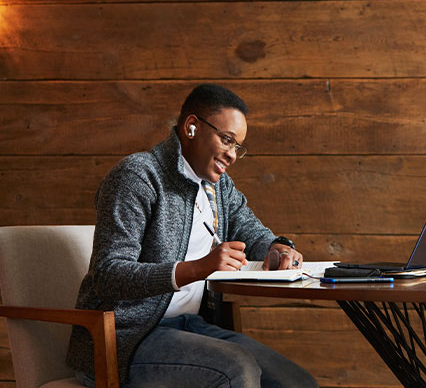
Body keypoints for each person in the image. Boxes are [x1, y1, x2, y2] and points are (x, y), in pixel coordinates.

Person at [66, 84, 318, 388]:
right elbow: (108, 275)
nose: (233, 155)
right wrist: (198, 268)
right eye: (226, 140)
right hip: (126, 339)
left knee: (297, 381)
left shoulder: (218, 187)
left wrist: (279, 247)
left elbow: (252, 232)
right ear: (192, 127)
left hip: (190, 327)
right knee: (236, 369)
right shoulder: (138, 177)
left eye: (238, 146)